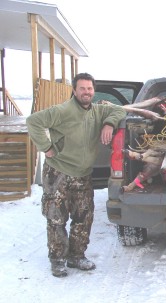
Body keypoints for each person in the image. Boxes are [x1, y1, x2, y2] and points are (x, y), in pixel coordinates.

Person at [26, 73, 126, 277]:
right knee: (56, 218)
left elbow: (119, 110)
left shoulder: (98, 111)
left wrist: (109, 123)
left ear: (93, 91)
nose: (86, 92)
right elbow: (33, 121)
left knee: (84, 217)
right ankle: (57, 260)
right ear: (74, 90)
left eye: (89, 89)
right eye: (82, 88)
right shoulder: (62, 111)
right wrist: (46, 147)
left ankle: (76, 256)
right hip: (59, 173)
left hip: (83, 175)